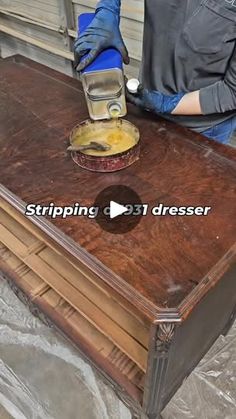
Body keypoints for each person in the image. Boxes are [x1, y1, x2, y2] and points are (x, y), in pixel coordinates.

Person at [74, 0, 236, 145]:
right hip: (147, 104)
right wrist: (108, 8)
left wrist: (166, 104)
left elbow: (232, 92)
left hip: (204, 128)